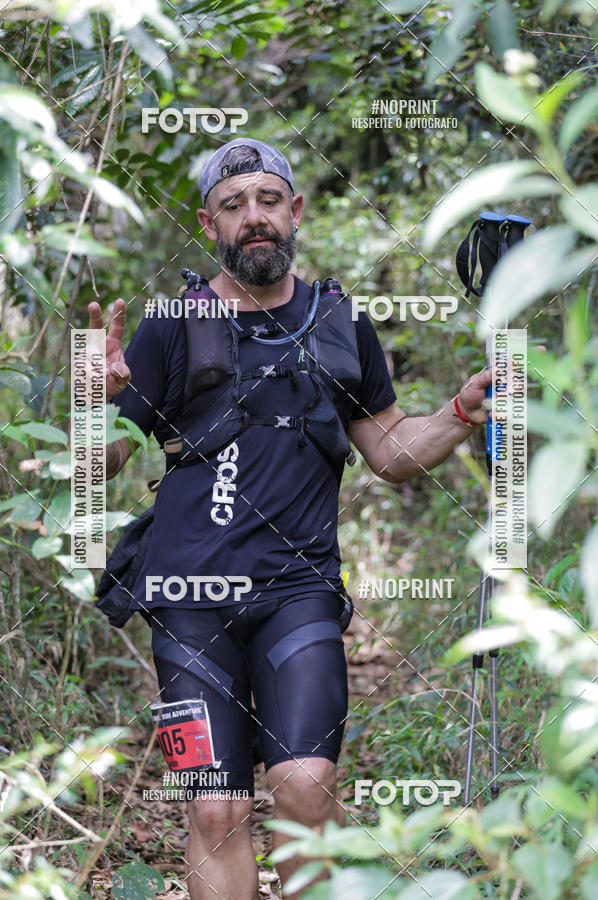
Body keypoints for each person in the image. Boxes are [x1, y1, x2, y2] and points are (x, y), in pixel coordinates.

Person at [89, 138, 492, 900]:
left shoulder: (340, 321)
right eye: (233, 205)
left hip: (297, 593)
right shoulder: (172, 323)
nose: (254, 217)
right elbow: (101, 461)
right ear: (209, 224)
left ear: (294, 210)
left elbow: (389, 448)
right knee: (215, 810)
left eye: (268, 200)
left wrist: (460, 413)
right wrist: (94, 400)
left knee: (306, 787)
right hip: (186, 602)